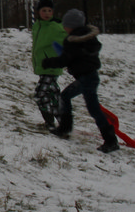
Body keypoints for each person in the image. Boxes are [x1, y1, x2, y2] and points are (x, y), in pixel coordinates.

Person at [42, 8, 119, 152]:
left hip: (86, 79)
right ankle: (65, 128)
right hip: (90, 77)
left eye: (66, 25)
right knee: (65, 97)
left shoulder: (73, 41)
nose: (64, 28)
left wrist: (48, 62)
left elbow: (64, 60)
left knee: (93, 109)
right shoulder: (88, 39)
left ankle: (111, 140)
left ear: (71, 26)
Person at [29, 0, 67, 130]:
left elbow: (67, 38)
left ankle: (50, 122)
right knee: (53, 96)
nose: (47, 13)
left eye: (49, 11)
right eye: (44, 10)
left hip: (51, 66)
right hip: (43, 66)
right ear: (38, 12)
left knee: (40, 95)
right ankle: (64, 122)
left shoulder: (55, 27)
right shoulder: (37, 26)